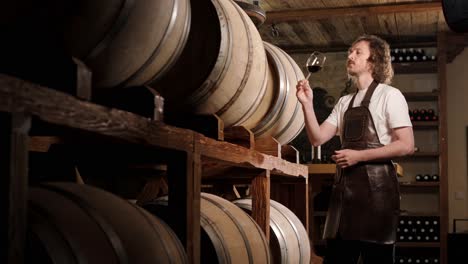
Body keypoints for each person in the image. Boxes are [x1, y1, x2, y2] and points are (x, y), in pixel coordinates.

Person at [296, 35, 414, 264]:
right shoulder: (344, 102)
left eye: (357, 52)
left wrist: (359, 156)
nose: (350, 56)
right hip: (343, 197)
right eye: (350, 51)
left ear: (373, 60)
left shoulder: (390, 96)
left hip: (377, 197)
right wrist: (307, 104)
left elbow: (406, 145)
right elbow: (317, 138)